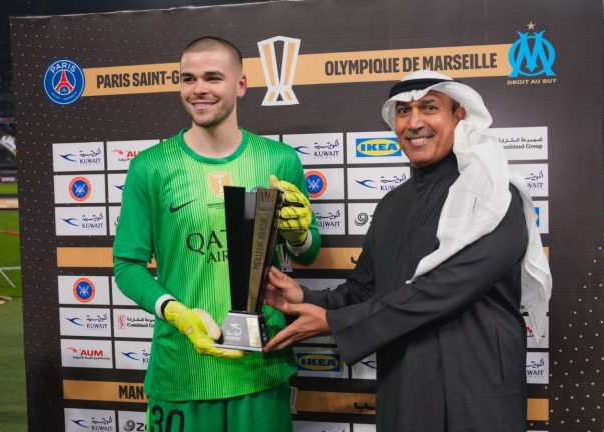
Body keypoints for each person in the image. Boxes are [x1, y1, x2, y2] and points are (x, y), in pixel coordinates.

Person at [262, 70, 552, 431]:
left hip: (478, 389)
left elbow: (442, 290)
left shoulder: (495, 196)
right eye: (403, 111)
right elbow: (365, 289)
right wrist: (305, 297)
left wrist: (336, 323)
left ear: (459, 115)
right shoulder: (391, 205)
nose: (414, 123)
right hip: (407, 387)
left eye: (429, 107)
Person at [113, 36, 320, 431]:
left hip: (260, 368)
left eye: (212, 77)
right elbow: (127, 265)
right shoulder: (150, 167)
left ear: (240, 85)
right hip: (182, 371)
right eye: (188, 79)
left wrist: (298, 236)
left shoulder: (279, 160)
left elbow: (308, 253)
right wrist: (174, 311)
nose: (198, 89)